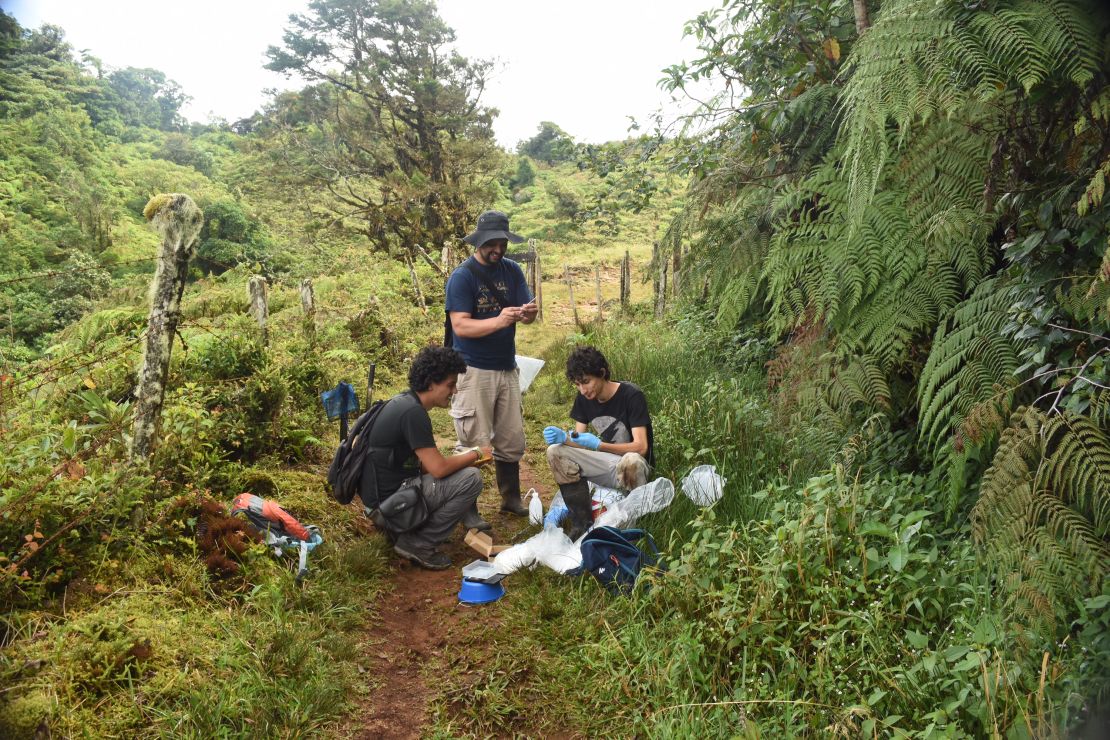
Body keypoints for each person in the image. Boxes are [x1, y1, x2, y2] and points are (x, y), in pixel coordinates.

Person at [446, 210, 538, 525]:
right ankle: (467, 508)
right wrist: (499, 320)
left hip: (506, 367)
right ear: (479, 242)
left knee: (512, 438)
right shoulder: (463, 276)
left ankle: (510, 498)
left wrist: (528, 314)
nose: (498, 249)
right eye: (492, 244)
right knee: (473, 441)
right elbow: (460, 326)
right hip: (472, 370)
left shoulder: (512, 271)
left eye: (502, 243)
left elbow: (527, 314)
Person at [360, 346, 490, 570]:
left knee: (461, 469)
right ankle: (418, 543)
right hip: (389, 506)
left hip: (383, 499)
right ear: (431, 383)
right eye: (450, 384)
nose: (455, 391)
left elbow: (423, 465)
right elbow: (438, 469)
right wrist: (476, 453)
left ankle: (409, 531)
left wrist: (463, 460)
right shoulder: (413, 413)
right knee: (471, 478)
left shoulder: (403, 402)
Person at [543, 346, 653, 541]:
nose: (583, 390)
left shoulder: (631, 395)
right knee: (555, 451)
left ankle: (633, 528)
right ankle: (581, 523)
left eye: (586, 382)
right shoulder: (584, 399)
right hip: (605, 465)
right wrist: (563, 438)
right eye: (577, 384)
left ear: (602, 373)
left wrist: (599, 445)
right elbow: (579, 439)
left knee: (632, 460)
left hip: (632, 467)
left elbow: (641, 447)